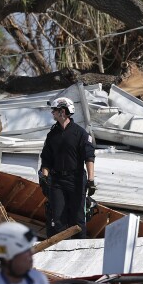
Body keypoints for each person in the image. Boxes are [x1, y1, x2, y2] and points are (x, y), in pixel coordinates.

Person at [39, 97, 96, 239]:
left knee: (78, 218)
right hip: (57, 181)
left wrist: (91, 180)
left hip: (76, 180)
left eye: (54, 111)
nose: (52, 113)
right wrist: (44, 177)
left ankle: (81, 252)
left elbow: (89, 157)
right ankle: (60, 253)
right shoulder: (52, 135)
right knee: (57, 219)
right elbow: (46, 159)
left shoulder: (80, 134)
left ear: (62, 112)